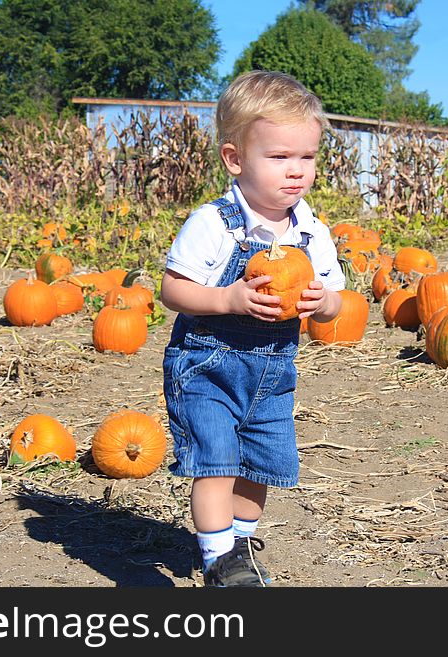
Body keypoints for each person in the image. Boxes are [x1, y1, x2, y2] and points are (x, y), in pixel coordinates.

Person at [160, 70, 345, 587]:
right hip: (207, 365)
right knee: (216, 460)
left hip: (272, 374)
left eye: (306, 157)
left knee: (260, 464)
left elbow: (336, 305)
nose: (297, 172)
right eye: (280, 157)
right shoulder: (214, 223)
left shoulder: (312, 232)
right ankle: (219, 561)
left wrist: (322, 301)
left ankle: (238, 544)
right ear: (235, 159)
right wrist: (228, 297)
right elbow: (173, 290)